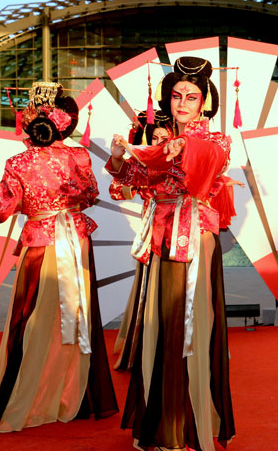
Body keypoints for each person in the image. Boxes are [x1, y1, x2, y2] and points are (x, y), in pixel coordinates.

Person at [0, 81, 118, 432]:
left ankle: (22, 396)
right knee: (78, 318)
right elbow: (90, 195)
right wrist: (65, 201)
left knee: (30, 322)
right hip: (76, 241)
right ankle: (78, 397)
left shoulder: (19, 162)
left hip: (42, 245)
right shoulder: (79, 157)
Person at [108, 57, 235, 451]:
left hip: (193, 236)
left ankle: (182, 425)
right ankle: (161, 420)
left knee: (187, 326)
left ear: (204, 102)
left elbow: (208, 164)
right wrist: (119, 158)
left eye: (191, 97)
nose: (182, 103)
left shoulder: (216, 141)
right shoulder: (160, 141)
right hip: (161, 237)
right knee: (161, 326)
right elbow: (134, 178)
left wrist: (184, 147)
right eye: (177, 95)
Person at [109, 118, 174, 372]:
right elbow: (118, 190)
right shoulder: (142, 162)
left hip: (181, 225)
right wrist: (119, 160)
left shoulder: (183, 159)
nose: (158, 143)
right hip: (152, 226)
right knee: (149, 282)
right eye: (154, 138)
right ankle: (146, 345)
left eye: (164, 138)